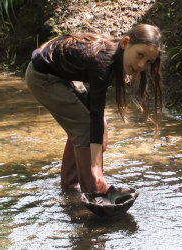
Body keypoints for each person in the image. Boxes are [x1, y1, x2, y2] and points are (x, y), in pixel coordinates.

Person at [25, 24, 164, 194]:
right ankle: (94, 193)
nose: (142, 65)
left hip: (64, 74)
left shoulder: (113, 57)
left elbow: (96, 104)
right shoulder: (104, 60)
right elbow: (96, 110)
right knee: (84, 128)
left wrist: (102, 124)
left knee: (89, 126)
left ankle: (69, 186)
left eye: (148, 61)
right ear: (125, 43)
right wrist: (96, 166)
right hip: (42, 77)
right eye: (140, 55)